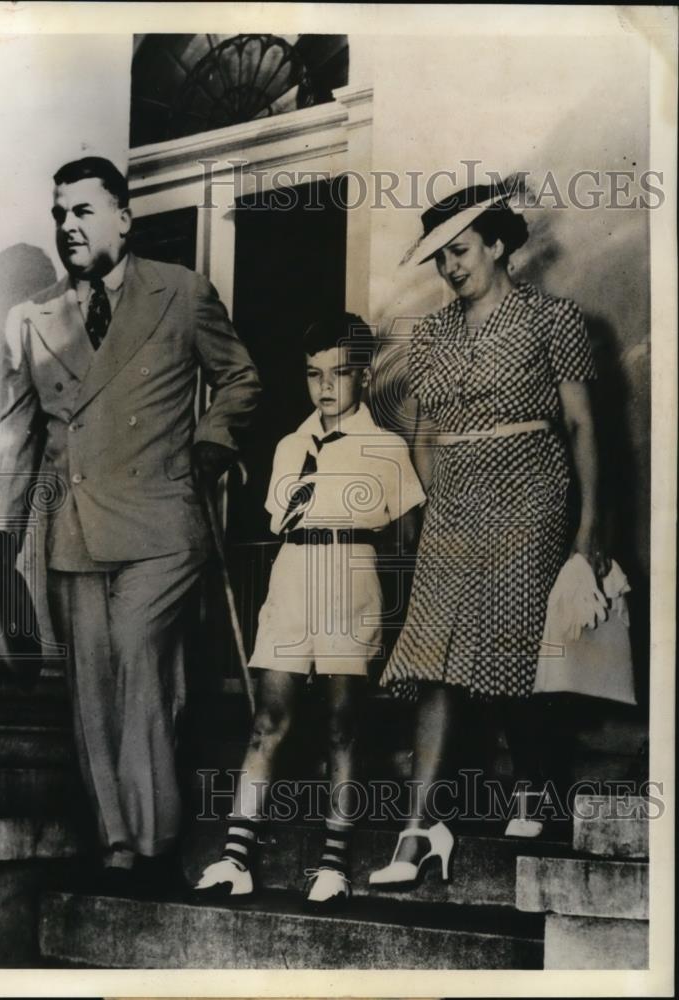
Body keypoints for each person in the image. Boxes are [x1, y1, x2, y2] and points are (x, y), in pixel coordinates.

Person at [0, 156, 261, 889]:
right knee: (92, 690)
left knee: (140, 658)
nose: (68, 226)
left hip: (163, 523)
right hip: (74, 530)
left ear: (124, 218)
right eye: (59, 214)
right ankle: (118, 845)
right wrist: (1, 540)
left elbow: (239, 378)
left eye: (83, 211)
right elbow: (19, 435)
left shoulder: (182, 292)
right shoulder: (36, 318)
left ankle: (155, 843)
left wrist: (213, 441)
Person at [368, 182, 606, 889]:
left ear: (499, 245)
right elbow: (424, 433)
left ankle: (532, 784)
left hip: (531, 487)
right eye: (441, 257)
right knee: (432, 652)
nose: (450, 268)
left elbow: (581, 425)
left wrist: (589, 529)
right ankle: (419, 828)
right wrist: (433, 501)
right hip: (455, 500)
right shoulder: (431, 335)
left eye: (462, 251)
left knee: (514, 633)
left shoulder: (552, 317)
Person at [194, 312, 425, 909]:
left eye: (339, 373)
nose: (325, 386)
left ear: (364, 376)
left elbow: (407, 542)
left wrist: (399, 626)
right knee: (268, 719)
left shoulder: (385, 447)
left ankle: (334, 864)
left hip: (352, 577)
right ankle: (235, 858)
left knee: (343, 723)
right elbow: (281, 520)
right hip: (293, 576)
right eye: (313, 374)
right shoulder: (289, 447)